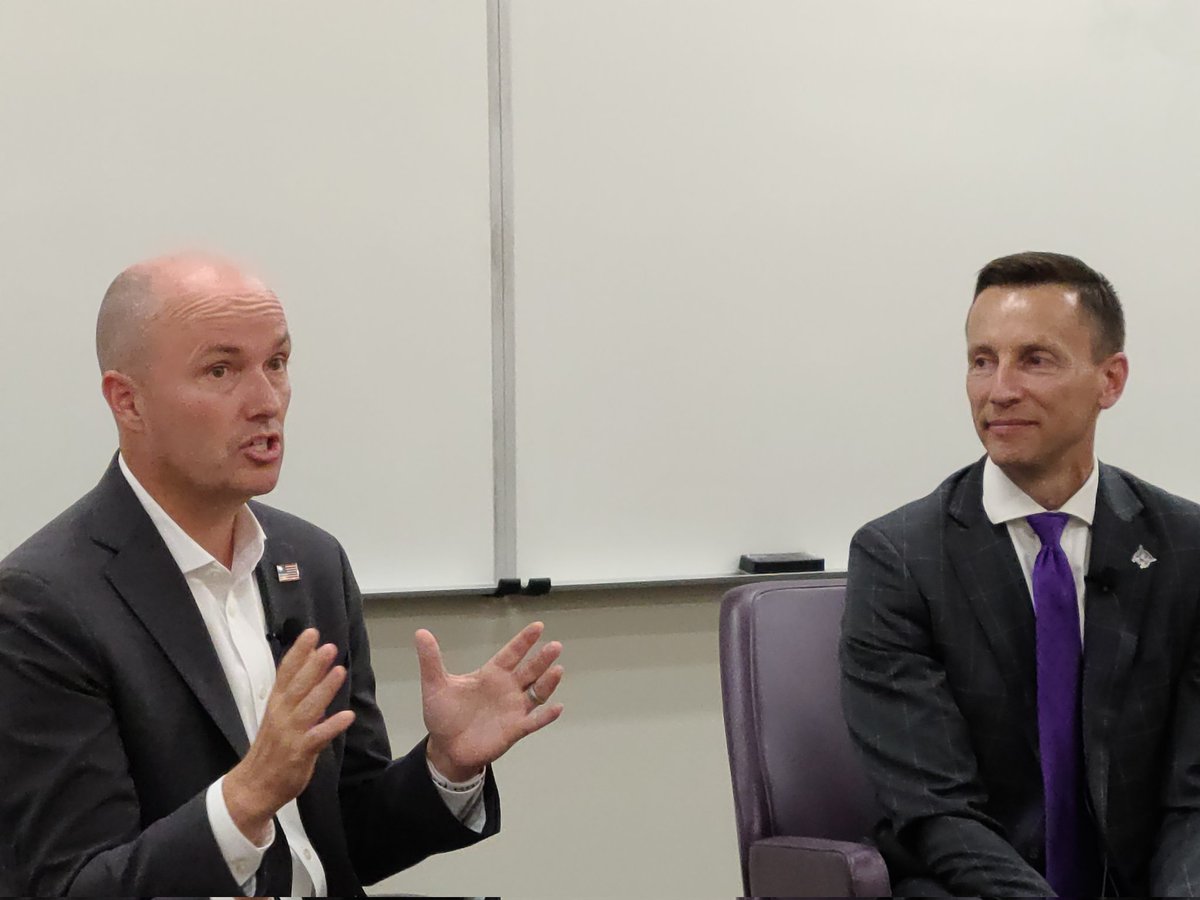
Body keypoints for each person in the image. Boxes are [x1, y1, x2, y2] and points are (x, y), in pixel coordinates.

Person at [0, 253, 565, 897]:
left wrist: (445, 765)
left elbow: (339, 840)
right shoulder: (42, 605)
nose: (266, 403)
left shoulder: (313, 562)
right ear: (127, 401)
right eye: (221, 370)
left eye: (277, 364)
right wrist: (247, 798)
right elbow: (70, 886)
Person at [840, 251, 1200, 896]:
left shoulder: (1186, 547)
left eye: (1035, 359)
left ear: (1110, 380)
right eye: (982, 360)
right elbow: (936, 809)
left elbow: (1194, 794)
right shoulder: (898, 557)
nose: (999, 389)